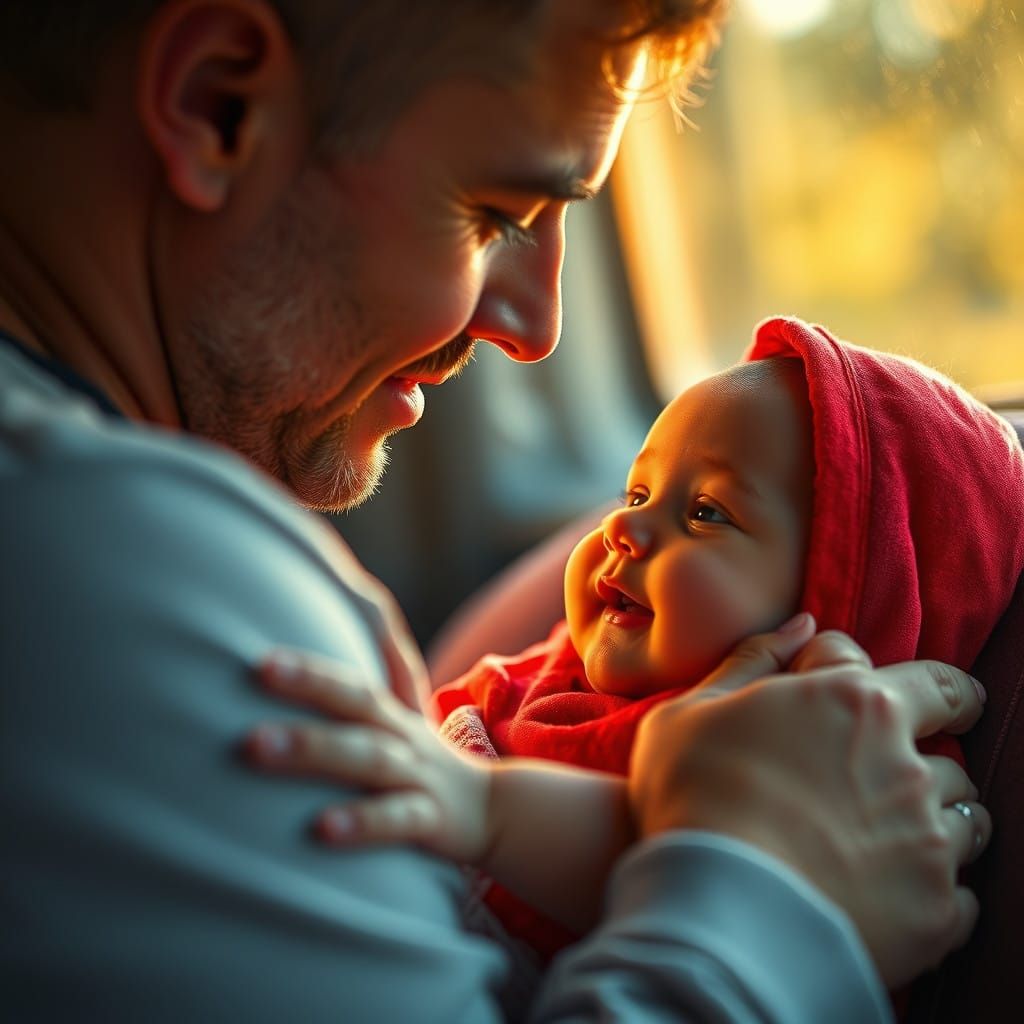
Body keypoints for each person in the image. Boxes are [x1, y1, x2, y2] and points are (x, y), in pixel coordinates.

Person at [0, 2, 988, 1020]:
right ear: (216, 105)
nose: (534, 327)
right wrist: (774, 901)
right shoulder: (107, 582)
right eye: (498, 214)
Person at [244, 316, 1022, 982]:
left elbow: (657, 848)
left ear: (841, 599)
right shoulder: (570, 661)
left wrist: (484, 805)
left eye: (708, 512)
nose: (620, 527)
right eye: (638, 493)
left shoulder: (798, 766)